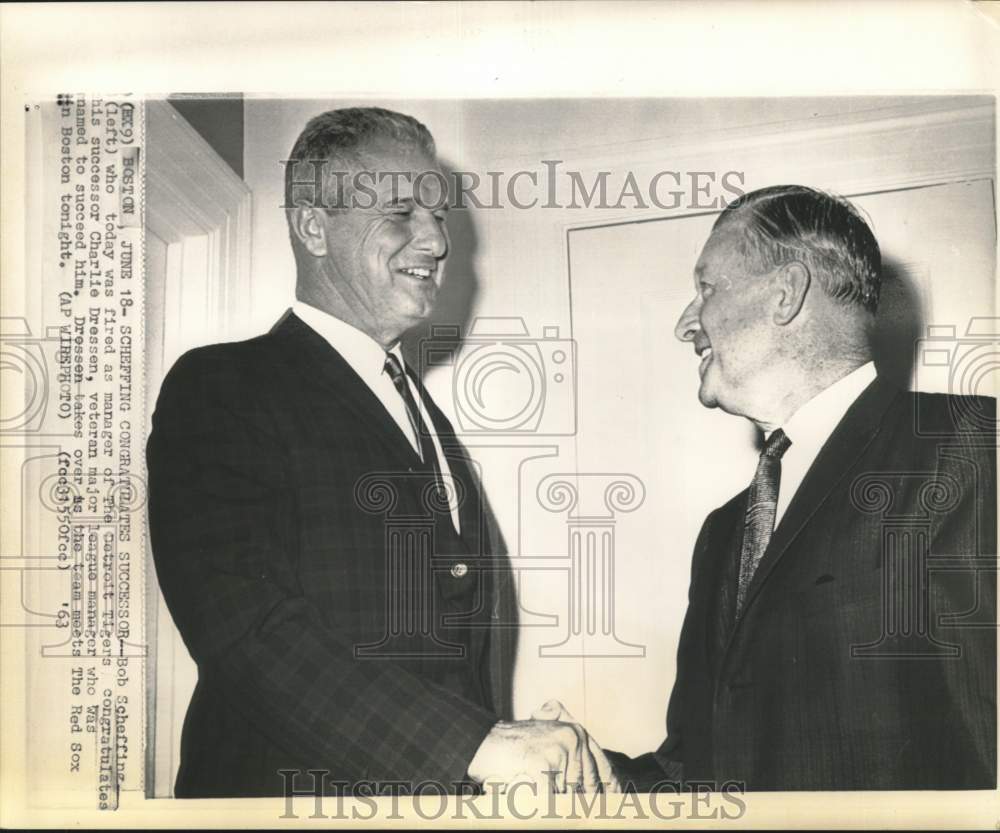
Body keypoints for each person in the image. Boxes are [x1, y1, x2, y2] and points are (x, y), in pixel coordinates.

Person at [147, 107, 616, 797]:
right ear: (313, 227)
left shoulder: (425, 418)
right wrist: (473, 744)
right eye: (400, 210)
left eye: (439, 214)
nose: (435, 238)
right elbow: (247, 628)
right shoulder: (223, 385)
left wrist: (505, 747)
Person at [602, 184, 996, 790]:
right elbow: (693, 773)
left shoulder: (967, 447)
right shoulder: (723, 532)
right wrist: (587, 776)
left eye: (706, 288)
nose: (687, 323)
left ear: (785, 293)